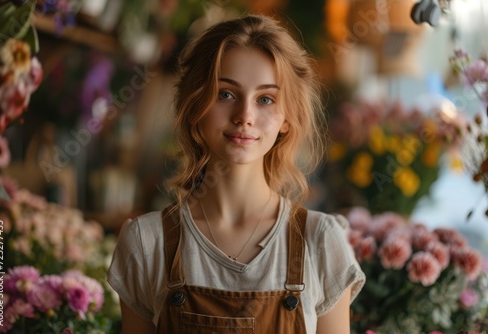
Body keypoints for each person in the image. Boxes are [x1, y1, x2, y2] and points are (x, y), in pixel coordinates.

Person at [107, 14, 365, 334]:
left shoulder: (322, 242)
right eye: (226, 93)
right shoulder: (146, 243)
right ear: (195, 105)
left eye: (266, 99)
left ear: (287, 117)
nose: (245, 116)